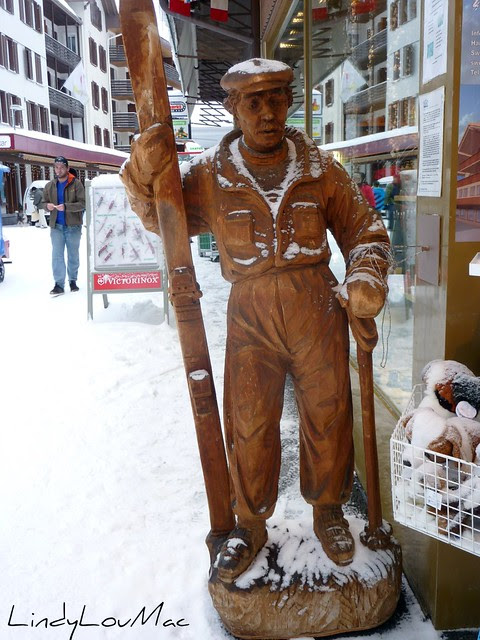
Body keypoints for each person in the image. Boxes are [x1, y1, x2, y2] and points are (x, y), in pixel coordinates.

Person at [121, 58, 391, 582]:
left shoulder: (320, 169)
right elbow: (162, 217)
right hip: (251, 315)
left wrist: (366, 277)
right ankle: (248, 523)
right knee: (248, 421)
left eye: (277, 99)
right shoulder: (211, 176)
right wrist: (141, 174)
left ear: (290, 102)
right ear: (232, 108)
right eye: (253, 102)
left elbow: (366, 231)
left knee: (328, 413)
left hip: (315, 307)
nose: (267, 112)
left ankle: (329, 509)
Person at [43, 156, 85, 295]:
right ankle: (58, 284)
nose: (59, 170)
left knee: (73, 255)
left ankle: (73, 281)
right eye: (56, 167)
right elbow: (43, 202)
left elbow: (83, 203)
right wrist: (47, 206)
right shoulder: (50, 185)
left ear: (67, 168)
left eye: (62, 167)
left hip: (73, 227)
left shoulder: (76, 184)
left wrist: (66, 207)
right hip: (56, 227)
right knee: (57, 256)